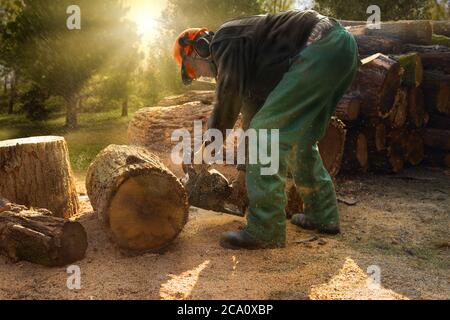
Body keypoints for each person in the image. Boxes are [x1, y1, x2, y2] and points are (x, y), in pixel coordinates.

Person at [173, 9, 359, 250]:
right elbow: (251, 121)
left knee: (266, 132)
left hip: (319, 47)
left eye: (193, 69)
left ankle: (265, 228)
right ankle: (322, 214)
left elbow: (228, 99)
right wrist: (243, 172)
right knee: (299, 141)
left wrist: (208, 149)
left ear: (200, 47)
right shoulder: (251, 65)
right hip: (341, 50)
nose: (201, 75)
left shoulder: (225, 40)